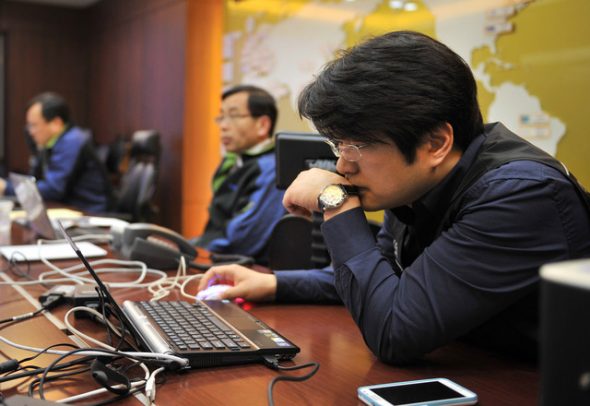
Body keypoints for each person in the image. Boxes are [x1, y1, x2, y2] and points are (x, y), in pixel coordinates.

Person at [197, 31, 590, 364]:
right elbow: (382, 276)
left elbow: (394, 331)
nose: (342, 165)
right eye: (337, 144)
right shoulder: (418, 182)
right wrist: (274, 284)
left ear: (435, 142)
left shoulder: (521, 194)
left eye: (357, 145)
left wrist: (337, 200)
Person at [193, 85, 286, 265]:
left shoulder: (271, 168)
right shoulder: (236, 162)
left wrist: (195, 251)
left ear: (262, 125)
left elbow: (243, 240)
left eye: (234, 116)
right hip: (217, 259)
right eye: (221, 117)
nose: (223, 126)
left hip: (250, 270)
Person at [0, 92, 111, 213]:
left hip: (90, 214)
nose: (31, 132)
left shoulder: (72, 141)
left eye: (34, 125)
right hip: (68, 210)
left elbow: (53, 190)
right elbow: (36, 179)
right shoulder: (51, 143)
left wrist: (7, 187)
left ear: (56, 123)